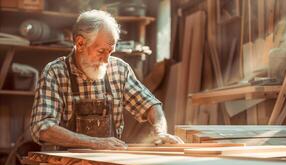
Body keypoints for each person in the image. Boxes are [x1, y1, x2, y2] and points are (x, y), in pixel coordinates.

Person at [30, 10, 183, 149]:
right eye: (101, 51)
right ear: (80, 43)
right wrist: (94, 143)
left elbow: (150, 105)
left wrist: (160, 131)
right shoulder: (55, 72)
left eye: (110, 51)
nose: (106, 60)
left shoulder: (118, 69)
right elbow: (43, 128)